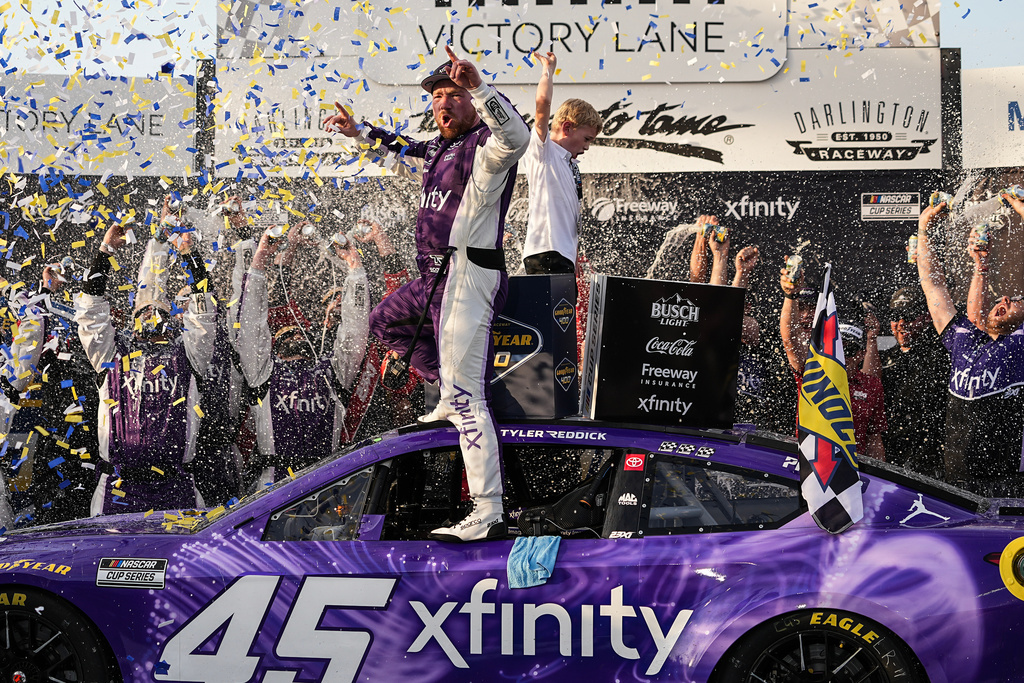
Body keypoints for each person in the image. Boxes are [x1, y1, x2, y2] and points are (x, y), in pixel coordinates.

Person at [325, 44, 530, 542]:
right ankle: (442, 383)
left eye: (453, 95)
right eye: (438, 95)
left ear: (470, 101)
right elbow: (398, 150)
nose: (443, 103)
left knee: (467, 400)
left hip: (466, 280)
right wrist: (358, 133)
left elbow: (517, 135)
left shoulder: (487, 145)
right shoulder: (437, 148)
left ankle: (487, 508)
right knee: (383, 321)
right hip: (433, 281)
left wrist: (479, 85)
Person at [75, 207, 216, 515]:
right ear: (130, 319)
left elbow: (205, 312)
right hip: (117, 489)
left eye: (160, 311)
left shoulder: (189, 354)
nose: (152, 316)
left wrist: (190, 255)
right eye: (144, 311)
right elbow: (90, 312)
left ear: (173, 319)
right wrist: (105, 252)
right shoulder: (111, 354)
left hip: (177, 489)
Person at [235, 222, 369, 486]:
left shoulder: (333, 374)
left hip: (326, 483)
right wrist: (260, 258)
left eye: (299, 333)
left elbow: (355, 328)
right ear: (274, 346)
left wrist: (355, 267)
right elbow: (250, 324)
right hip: (273, 485)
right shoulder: (263, 373)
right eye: (286, 334)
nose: (296, 335)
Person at [916, 195, 1024, 495]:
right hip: (956, 483)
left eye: (1015, 301)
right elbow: (932, 284)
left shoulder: (1020, 344)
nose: (1004, 300)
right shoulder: (962, 336)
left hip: (1005, 482)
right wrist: (924, 228)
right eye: (1002, 298)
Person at [2, 261, 99, 523]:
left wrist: (43, 290)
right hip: (48, 420)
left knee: (71, 481)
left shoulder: (70, 317)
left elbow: (34, 317)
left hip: (72, 416)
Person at [780, 268, 887, 460]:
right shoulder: (815, 372)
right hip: (811, 468)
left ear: (861, 354)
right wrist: (790, 296)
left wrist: (879, 481)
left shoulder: (872, 386)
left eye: (848, 350)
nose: (842, 356)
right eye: (837, 348)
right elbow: (790, 341)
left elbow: (874, 440)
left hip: (853, 472)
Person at [521, 51, 601, 275]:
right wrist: (548, 70)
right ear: (567, 128)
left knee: (565, 311)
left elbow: (571, 219)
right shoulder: (543, 151)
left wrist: (573, 255)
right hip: (545, 253)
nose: (587, 147)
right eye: (586, 139)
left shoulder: (571, 165)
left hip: (562, 255)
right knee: (549, 311)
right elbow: (543, 103)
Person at [869, 287, 949, 475]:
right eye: (896, 317)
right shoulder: (884, 360)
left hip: (931, 463)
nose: (902, 323)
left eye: (910, 316)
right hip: (892, 459)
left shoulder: (941, 355)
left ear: (927, 317)